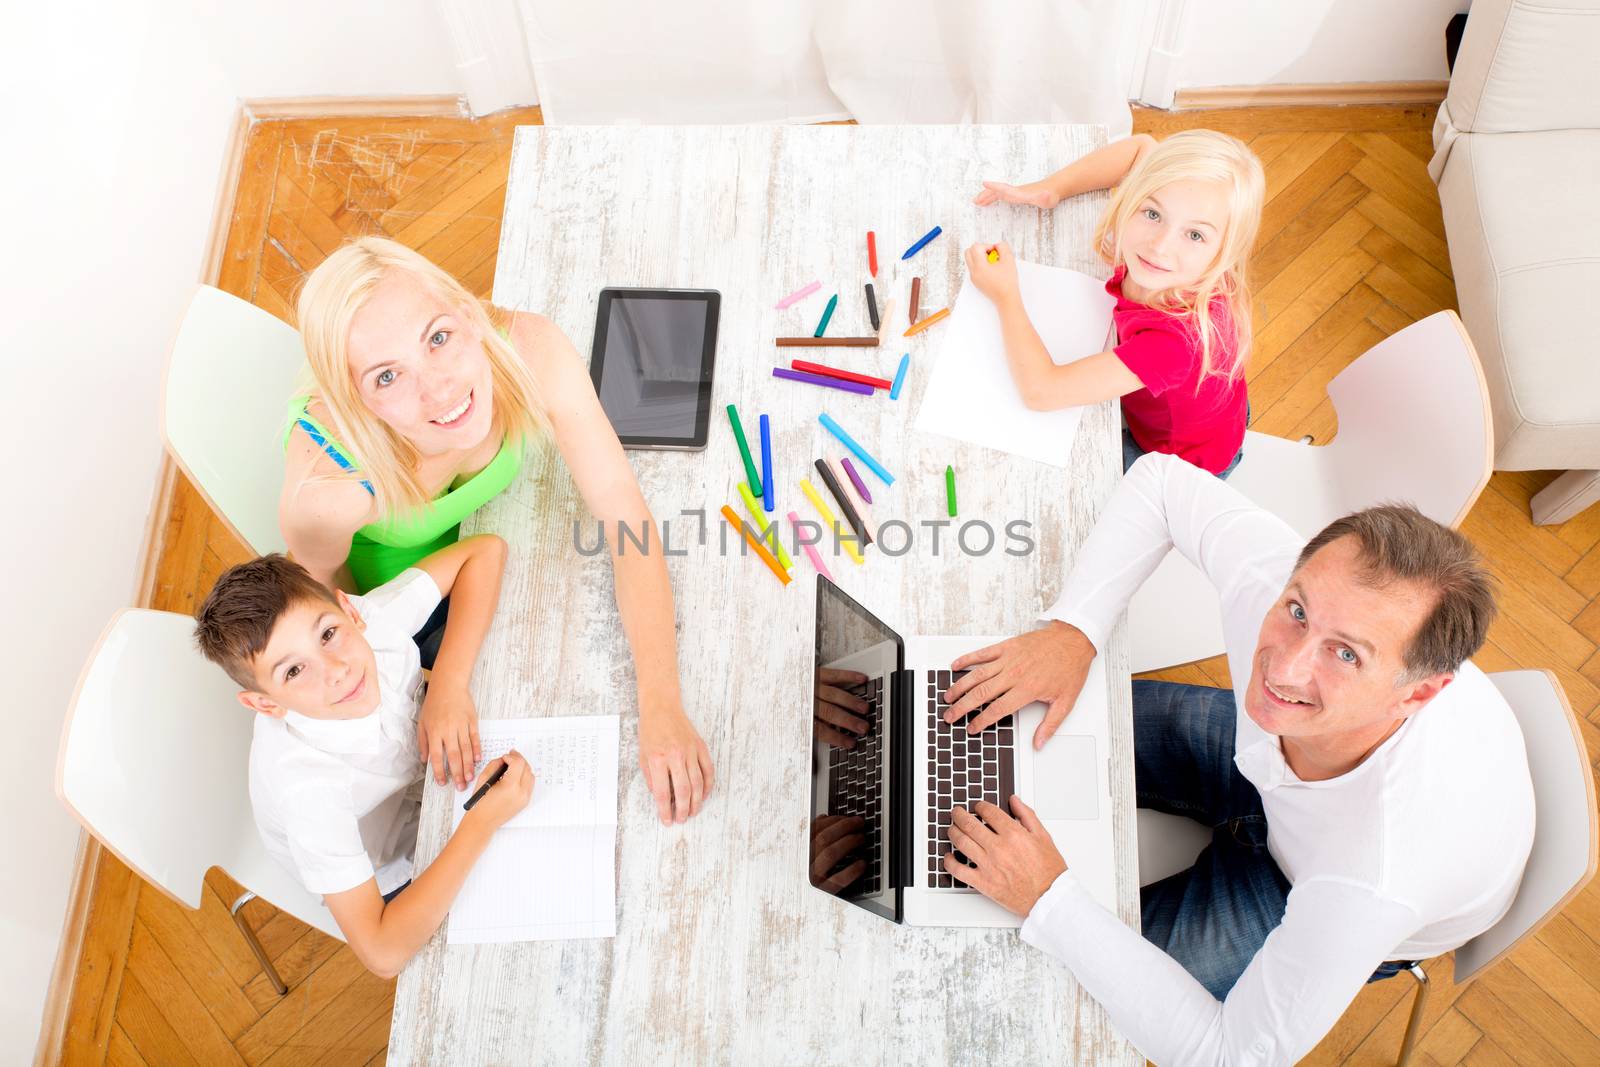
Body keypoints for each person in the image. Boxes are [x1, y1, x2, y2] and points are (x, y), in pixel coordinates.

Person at [935, 452, 1534, 1065]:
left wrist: (1047, 899)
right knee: (1015, 717)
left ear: (1418, 693)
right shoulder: (1307, 597)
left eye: (1346, 655)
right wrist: (1074, 632)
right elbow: (1162, 483)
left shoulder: (1372, 879)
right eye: (1296, 613)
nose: (1285, 666)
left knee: (1038, 974)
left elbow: (1228, 1055)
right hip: (1279, 760)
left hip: (1302, 891)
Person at [280, 236, 712, 823]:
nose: (440, 389)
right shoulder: (331, 491)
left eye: (438, 338)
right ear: (354, 401)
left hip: (486, 563)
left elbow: (623, 512)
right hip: (405, 621)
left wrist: (662, 702)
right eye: (387, 377)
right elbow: (319, 609)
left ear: (468, 315)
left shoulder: (528, 350)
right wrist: (436, 679)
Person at [193, 539, 531, 978]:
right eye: (294, 671)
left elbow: (485, 551)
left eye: (328, 635)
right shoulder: (307, 791)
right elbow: (382, 954)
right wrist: (480, 822)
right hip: (391, 864)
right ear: (266, 705)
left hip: (429, 771)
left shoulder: (370, 621)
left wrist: (449, 684)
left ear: (348, 609)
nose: (335, 670)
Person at [970, 130, 1264, 478]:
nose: (1159, 246)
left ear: (1224, 253)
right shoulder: (1183, 265)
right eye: (1153, 213)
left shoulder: (1174, 345)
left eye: (1195, 234)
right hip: (1204, 413)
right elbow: (1141, 149)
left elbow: (1041, 392)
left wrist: (1005, 294)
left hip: (1178, 462)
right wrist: (1052, 189)